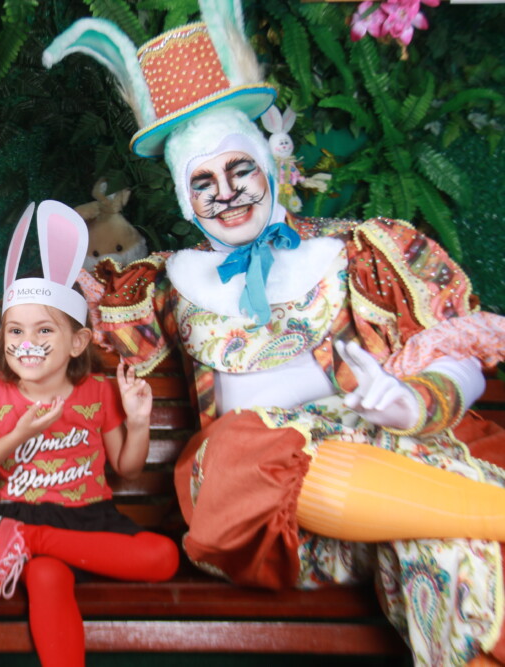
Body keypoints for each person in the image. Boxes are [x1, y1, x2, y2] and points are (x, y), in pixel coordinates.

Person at [43, 2, 505, 665]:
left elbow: (459, 347)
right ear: (185, 199)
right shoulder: (166, 284)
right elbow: (60, 327)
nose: (227, 192)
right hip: (272, 517)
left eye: (240, 169)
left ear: (269, 168)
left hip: (388, 488)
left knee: (453, 554)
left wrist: (413, 400)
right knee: (238, 446)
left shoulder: (356, 250)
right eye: (203, 182)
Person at [0, 201, 179, 667]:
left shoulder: (97, 391)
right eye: (15, 331)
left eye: (44, 331)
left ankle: (28, 540)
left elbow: (127, 467)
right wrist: (17, 435)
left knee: (163, 558)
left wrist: (138, 421)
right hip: (22, 511)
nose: (27, 344)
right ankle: (25, 539)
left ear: (77, 342)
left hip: (90, 520)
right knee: (46, 579)